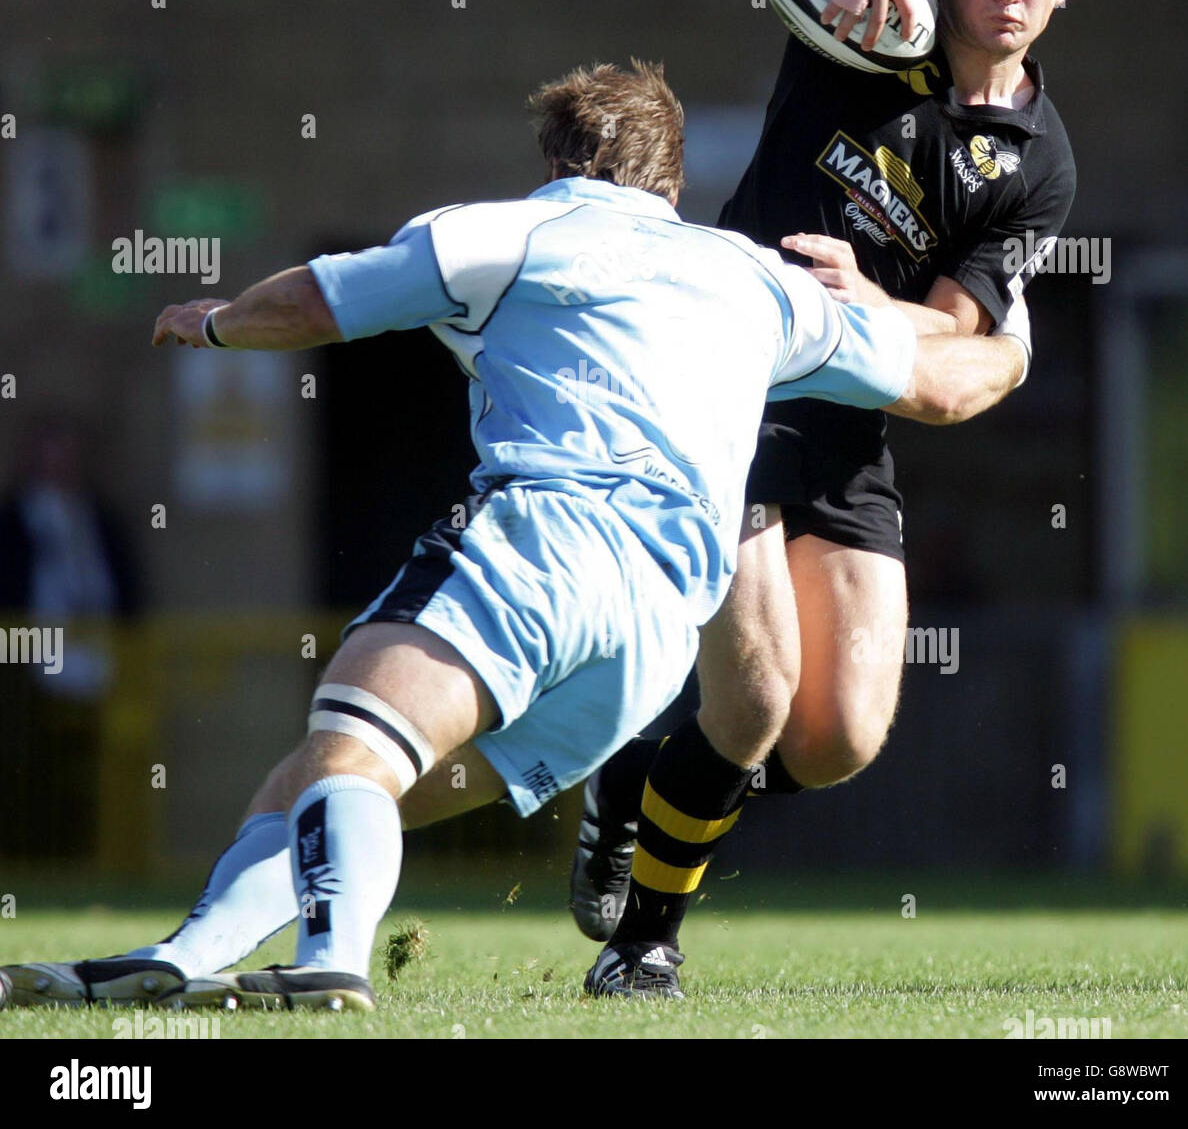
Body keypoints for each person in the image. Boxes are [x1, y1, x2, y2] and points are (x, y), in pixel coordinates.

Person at [0, 59, 1006, 1012]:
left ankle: (331, 964)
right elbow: (938, 384)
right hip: (654, 643)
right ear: (673, 176)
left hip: (545, 547)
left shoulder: (509, 233)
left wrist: (215, 321)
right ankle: (183, 956)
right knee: (332, 780)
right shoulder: (752, 276)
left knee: (352, 742)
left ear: (558, 163)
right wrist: (1009, 343)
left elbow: (317, 300)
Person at [570, 0, 1085, 997]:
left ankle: (639, 778)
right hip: (728, 382)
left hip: (849, 410)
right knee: (752, 696)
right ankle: (645, 941)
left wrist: (873, 306)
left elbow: (961, 326)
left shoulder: (1040, 161)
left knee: (838, 735)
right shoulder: (871, 2)